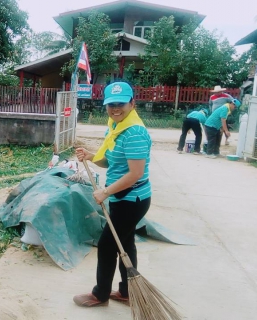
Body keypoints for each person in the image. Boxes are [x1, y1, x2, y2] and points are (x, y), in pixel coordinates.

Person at [73, 82, 152, 308]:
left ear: (132, 103)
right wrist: (91, 156)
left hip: (132, 199)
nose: (115, 108)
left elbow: (135, 173)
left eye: (121, 104)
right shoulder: (116, 126)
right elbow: (110, 161)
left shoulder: (134, 132)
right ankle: (127, 292)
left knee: (108, 246)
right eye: (111, 104)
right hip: (123, 197)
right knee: (125, 245)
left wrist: (105, 192)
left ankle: (100, 295)